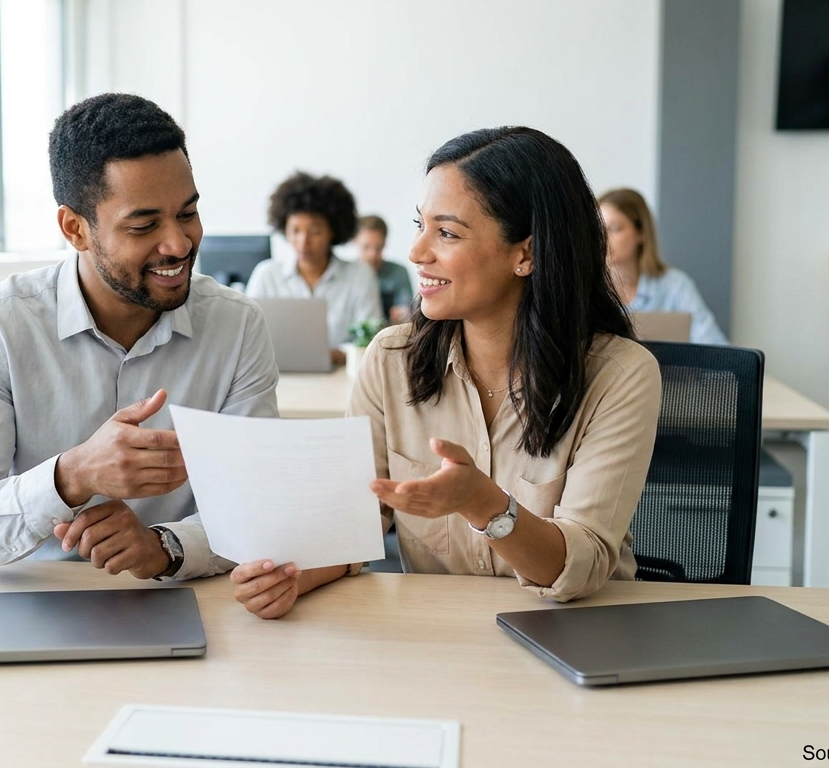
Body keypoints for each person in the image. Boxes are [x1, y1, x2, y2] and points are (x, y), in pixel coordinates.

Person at [230, 127, 662, 619]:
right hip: (438, 636)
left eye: (447, 233)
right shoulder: (391, 359)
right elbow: (353, 523)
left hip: (577, 633)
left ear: (526, 254)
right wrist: (291, 575)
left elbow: (580, 568)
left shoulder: (621, 375)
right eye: (420, 225)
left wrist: (485, 505)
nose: (416, 252)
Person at [0, 93, 278, 580]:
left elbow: (260, 510)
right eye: (144, 224)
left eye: (188, 213)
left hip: (180, 600)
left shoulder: (236, 326)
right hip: (28, 602)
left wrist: (167, 547)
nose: (177, 243)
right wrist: (71, 476)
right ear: (76, 229)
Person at [245, 172, 383, 365]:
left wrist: (330, 356)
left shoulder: (360, 276)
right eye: (295, 231)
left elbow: (372, 343)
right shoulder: (267, 275)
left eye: (315, 231)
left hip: (339, 379)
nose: (303, 242)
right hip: (279, 380)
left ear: (332, 231)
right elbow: (247, 338)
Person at [598, 187, 729, 345]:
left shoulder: (675, 286)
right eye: (598, 229)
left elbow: (715, 347)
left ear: (641, 233)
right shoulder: (586, 287)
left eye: (614, 229)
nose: (603, 238)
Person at [354, 215, 415, 324]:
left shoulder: (398, 272)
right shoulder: (346, 275)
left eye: (378, 248)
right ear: (354, 241)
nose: (372, 254)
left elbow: (406, 307)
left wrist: (404, 313)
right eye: (366, 247)